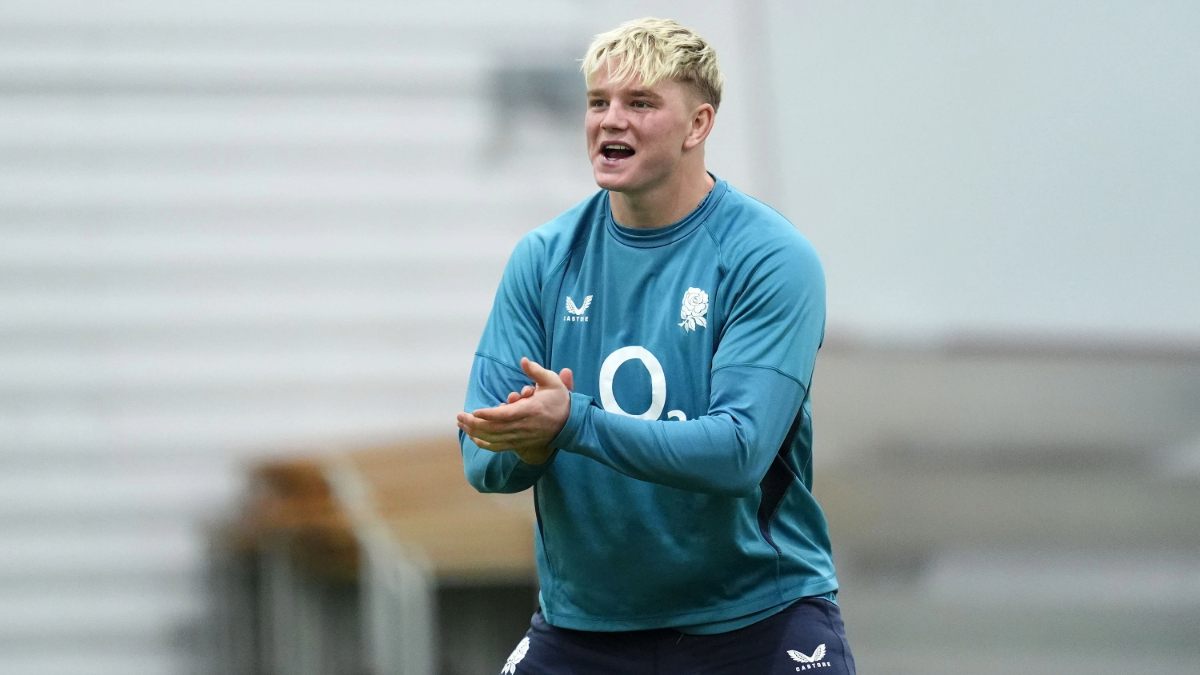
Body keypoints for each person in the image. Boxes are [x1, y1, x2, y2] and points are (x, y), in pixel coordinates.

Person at [456, 17, 855, 675]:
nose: (612, 121)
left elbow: (736, 452)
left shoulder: (769, 258)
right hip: (585, 629)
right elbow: (480, 454)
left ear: (697, 125)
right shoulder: (544, 259)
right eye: (598, 103)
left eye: (640, 103)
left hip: (754, 621)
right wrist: (526, 443)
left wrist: (572, 422)